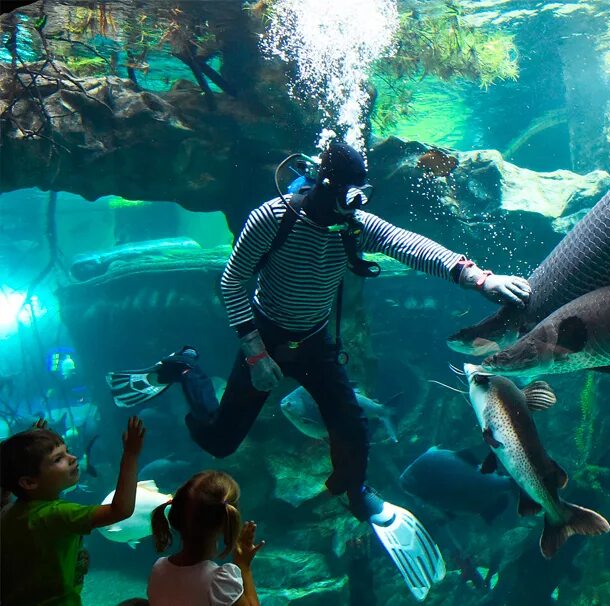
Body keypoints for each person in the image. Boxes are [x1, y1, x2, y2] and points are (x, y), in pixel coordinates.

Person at [107, 141, 531, 599]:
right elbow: (231, 281)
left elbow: (409, 246)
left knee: (352, 430)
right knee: (220, 440)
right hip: (264, 335)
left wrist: (481, 279)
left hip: (313, 342)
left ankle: (355, 493)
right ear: (321, 184)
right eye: (345, 194)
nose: (352, 206)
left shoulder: (352, 223)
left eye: (358, 195)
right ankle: (185, 369)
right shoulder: (273, 217)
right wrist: (253, 353)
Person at [0, 416, 146, 606]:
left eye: (67, 451)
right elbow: (120, 510)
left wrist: (28, 444)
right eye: (58, 459)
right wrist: (131, 455)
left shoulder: (10, 512)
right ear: (28, 482)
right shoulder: (56, 514)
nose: (73, 458)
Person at [148, 470, 264, 606]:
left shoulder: (158, 569)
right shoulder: (218, 583)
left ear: (175, 515)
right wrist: (244, 567)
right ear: (227, 522)